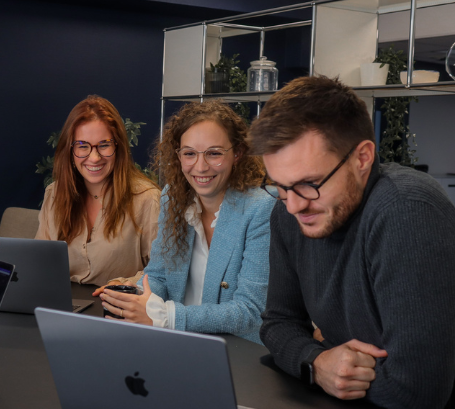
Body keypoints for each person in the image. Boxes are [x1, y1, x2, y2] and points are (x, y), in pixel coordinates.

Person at [250, 76, 455, 407]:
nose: (293, 205)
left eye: (309, 183)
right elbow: (278, 324)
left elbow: (418, 391)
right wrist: (317, 363)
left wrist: (331, 368)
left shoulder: (407, 209)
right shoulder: (289, 210)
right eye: (281, 186)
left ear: (362, 158)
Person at [99, 101, 274, 343]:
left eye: (214, 153)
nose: (200, 167)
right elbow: (158, 276)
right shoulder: (173, 197)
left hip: (241, 352)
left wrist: (166, 317)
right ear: (178, 156)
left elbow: (251, 312)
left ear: (238, 153)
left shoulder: (262, 208)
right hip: (179, 342)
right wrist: (134, 299)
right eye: (189, 153)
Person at [36, 95, 160, 287]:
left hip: (118, 310)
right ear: (70, 150)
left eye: (104, 145)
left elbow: (162, 273)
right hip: (63, 307)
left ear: (118, 147)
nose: (94, 158)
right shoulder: (54, 193)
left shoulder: (147, 199)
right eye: (82, 146)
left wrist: (124, 286)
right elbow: (40, 263)